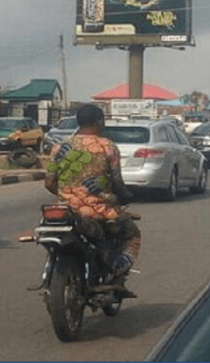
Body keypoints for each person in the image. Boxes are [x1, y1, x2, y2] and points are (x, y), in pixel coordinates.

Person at [44, 104, 141, 279]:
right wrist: (124, 196)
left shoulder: (60, 147)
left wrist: (68, 195)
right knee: (132, 234)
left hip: (68, 212)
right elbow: (117, 183)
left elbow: (49, 182)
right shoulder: (107, 146)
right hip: (99, 211)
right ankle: (117, 270)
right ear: (99, 121)